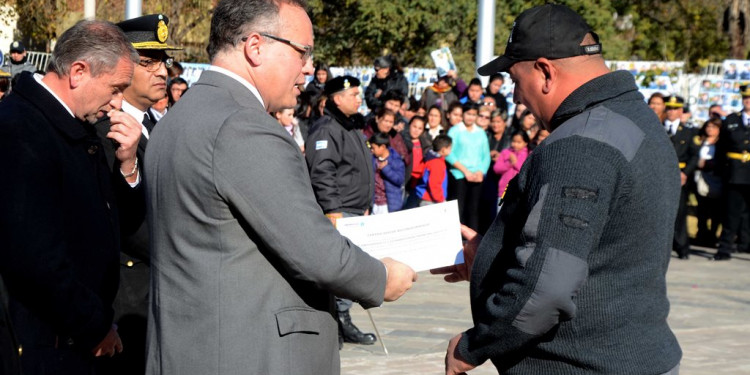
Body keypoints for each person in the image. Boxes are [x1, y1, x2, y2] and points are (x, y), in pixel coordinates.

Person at [145, 3, 416, 375]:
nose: (309, 67)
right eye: (302, 51)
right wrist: (381, 278)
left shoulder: (183, 115)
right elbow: (315, 251)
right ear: (255, 47)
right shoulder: (243, 126)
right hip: (248, 354)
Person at [433, 4, 681, 374]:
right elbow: (602, 249)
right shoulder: (636, 119)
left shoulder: (581, 143)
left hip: (579, 363)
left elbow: (545, 291)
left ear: (546, 72)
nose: (516, 97)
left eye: (517, 82)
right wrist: (491, 258)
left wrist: (472, 346)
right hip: (635, 355)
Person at [0, 20, 144, 374]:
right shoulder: (22, 129)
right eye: (114, 88)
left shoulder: (75, 125)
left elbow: (115, 222)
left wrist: (127, 166)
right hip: (43, 345)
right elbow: (35, 256)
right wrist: (93, 326)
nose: (117, 102)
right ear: (78, 72)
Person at [92, 14, 181, 375]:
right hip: (129, 298)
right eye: (148, 62)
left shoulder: (161, 125)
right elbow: (125, 221)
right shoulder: (104, 132)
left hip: (164, 290)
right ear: (122, 68)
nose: (162, 71)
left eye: (164, 61)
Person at [304, 76, 394, 348]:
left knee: (349, 269)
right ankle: (338, 321)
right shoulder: (327, 129)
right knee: (343, 270)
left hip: (356, 210)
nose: (359, 98)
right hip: (339, 212)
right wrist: (332, 209)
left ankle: (341, 319)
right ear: (336, 98)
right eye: (353, 94)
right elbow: (323, 171)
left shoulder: (352, 126)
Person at [714, 85, 750, 260]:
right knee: (731, 213)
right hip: (734, 173)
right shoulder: (731, 120)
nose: (748, 100)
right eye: (746, 97)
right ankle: (725, 248)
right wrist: (721, 171)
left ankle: (746, 245)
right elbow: (721, 149)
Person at [445, 101, 491, 231]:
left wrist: (481, 172)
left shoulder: (480, 132)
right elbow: (449, 153)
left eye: (473, 114)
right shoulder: (455, 130)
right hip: (459, 174)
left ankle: (473, 242)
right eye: (468, 113)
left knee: (474, 210)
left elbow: (486, 155)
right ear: (463, 114)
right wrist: (465, 171)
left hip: (476, 176)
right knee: (458, 210)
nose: (470, 117)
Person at [664, 96, 699, 259]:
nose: (671, 112)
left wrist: (686, 173)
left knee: (679, 213)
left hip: (680, 176)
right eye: (669, 108)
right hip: (661, 175)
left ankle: (682, 247)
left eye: (675, 108)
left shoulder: (688, 131)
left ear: (680, 111)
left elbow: (694, 155)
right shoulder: (658, 128)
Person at [694, 117, 722, 247]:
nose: (710, 129)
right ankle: (701, 234)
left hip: (715, 178)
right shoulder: (700, 140)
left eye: (714, 127)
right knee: (702, 209)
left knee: (716, 210)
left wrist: (708, 164)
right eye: (708, 126)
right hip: (700, 177)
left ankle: (713, 235)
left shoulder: (721, 143)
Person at [369, 132, 405, 214]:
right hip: (374, 204)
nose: (371, 150)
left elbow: (399, 180)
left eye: (373, 148)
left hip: (388, 206)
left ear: (382, 147)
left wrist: (386, 169)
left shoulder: (395, 160)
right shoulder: (372, 159)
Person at [415, 135, 452, 206]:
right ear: (443, 149)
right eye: (449, 148)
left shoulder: (432, 159)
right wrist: (441, 199)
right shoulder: (436, 163)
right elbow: (434, 184)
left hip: (429, 199)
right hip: (430, 200)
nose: (451, 150)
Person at [493, 129, 530, 201]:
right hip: (504, 189)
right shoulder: (505, 152)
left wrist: (515, 162)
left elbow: (526, 171)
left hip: (519, 190)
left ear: (525, 143)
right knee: (500, 209)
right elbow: (496, 169)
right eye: (513, 141)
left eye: (519, 142)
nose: (515, 144)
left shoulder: (529, 154)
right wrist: (509, 164)